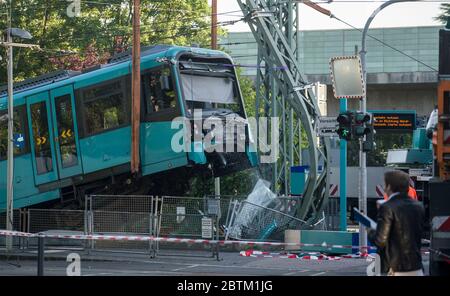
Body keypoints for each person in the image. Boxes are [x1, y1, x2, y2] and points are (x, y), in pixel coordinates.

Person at [369, 170, 425, 276]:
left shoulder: (387, 207)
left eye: (385, 184)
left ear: (389, 186)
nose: (384, 188)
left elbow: (380, 241)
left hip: (395, 267)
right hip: (416, 265)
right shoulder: (419, 206)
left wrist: (370, 231)